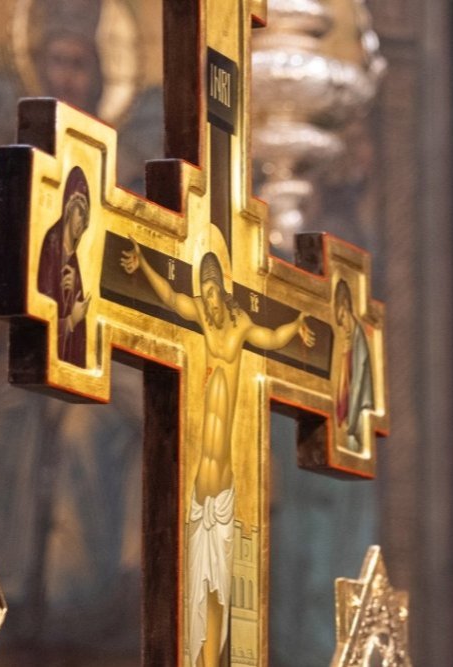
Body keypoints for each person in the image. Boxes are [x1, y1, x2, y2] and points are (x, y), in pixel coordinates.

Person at [121, 241, 314, 667]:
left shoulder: (240, 323)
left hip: (231, 463)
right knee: (192, 581)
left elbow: (271, 337)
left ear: (223, 290)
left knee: (231, 582)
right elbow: (167, 296)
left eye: (213, 290)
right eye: (204, 290)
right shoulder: (194, 316)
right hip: (196, 459)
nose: (208, 297)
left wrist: (298, 324)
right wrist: (144, 266)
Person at [37, 167, 93, 367]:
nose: (82, 221)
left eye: (86, 215)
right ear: (69, 209)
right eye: (80, 212)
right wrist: (70, 321)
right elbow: (42, 318)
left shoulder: (73, 260)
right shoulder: (51, 247)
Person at [333, 279, 374, 453]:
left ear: (346, 305)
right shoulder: (350, 343)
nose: (344, 327)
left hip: (360, 417)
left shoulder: (359, 341)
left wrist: (349, 424)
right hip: (354, 419)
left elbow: (357, 384)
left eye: (342, 317)